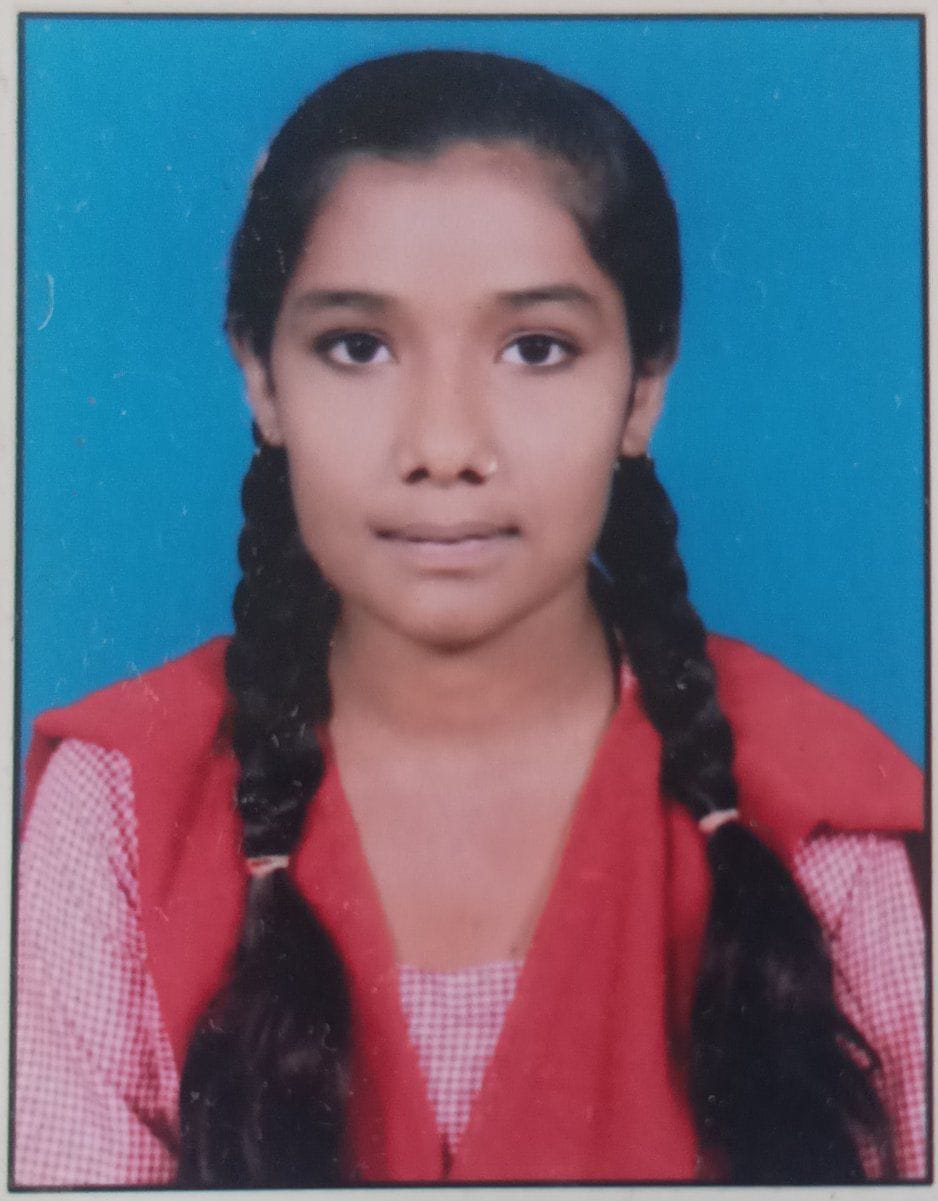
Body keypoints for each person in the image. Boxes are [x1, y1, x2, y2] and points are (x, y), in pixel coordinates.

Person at [15, 49, 925, 1188]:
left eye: (536, 348)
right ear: (260, 376)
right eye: (357, 346)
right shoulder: (117, 813)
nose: (444, 446)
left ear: (643, 384)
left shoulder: (819, 821)